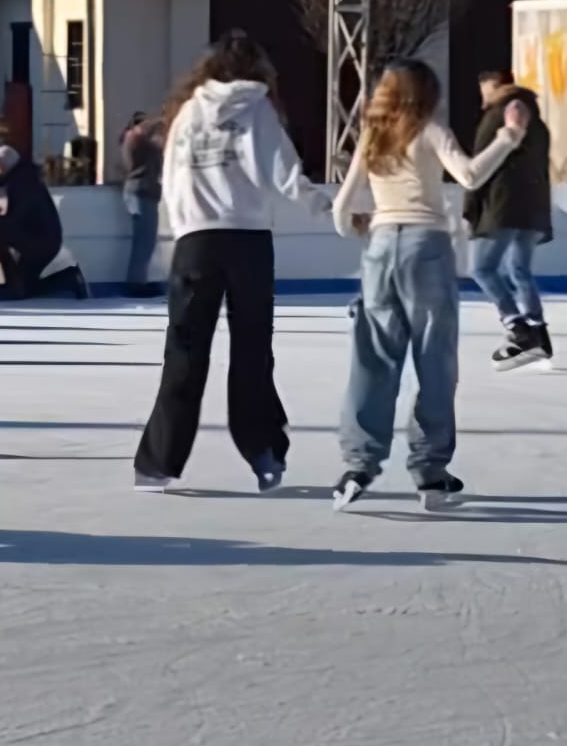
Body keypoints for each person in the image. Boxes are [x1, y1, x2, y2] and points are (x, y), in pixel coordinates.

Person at [133, 31, 327, 495]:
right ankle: (264, 453)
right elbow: (283, 175)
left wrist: (180, 235)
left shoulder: (185, 115)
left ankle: (157, 463)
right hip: (247, 241)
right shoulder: (257, 108)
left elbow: (173, 183)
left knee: (183, 351)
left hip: (195, 242)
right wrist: (330, 208)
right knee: (252, 351)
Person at [330, 60, 528, 512]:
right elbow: (471, 176)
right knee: (434, 361)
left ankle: (358, 466)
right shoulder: (430, 129)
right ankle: (430, 474)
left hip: (380, 249)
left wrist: (366, 225)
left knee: (374, 360)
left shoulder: (372, 136)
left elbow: (341, 214)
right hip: (427, 248)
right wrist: (509, 136)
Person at [464, 69, 554, 369]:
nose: (482, 98)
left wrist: (471, 210)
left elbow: (480, 169)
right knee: (518, 270)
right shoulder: (539, 123)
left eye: (483, 90)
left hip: (502, 206)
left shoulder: (502, 112)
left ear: (493, 85)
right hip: (533, 207)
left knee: (481, 268)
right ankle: (539, 333)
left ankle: (518, 327)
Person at [0, 146, 88, 299]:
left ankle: (14, 285)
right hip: (44, 240)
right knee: (27, 288)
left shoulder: (22, 184)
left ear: (1, 164)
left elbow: (17, 218)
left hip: (39, 243)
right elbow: (6, 180)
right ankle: (69, 277)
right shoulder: (24, 176)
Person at [120, 112, 164, 297]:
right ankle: (136, 283)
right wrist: (162, 119)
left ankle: (137, 281)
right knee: (144, 242)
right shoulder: (137, 140)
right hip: (143, 192)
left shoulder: (130, 141)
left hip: (137, 192)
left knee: (143, 241)